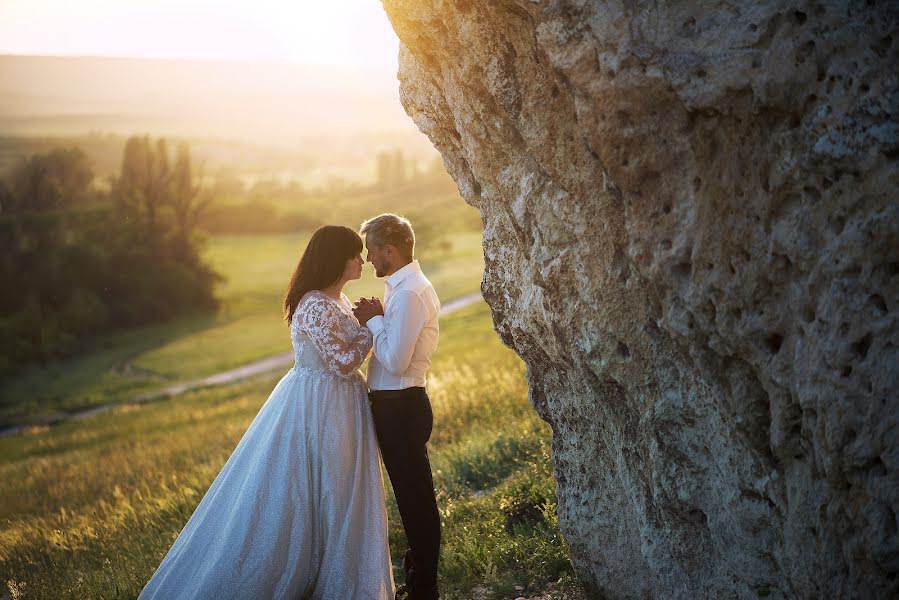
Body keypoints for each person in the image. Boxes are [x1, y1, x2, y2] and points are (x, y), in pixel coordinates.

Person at [139, 225, 394, 600]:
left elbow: (344, 354)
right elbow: (341, 362)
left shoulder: (338, 300)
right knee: (313, 490)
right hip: (317, 409)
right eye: (354, 254)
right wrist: (373, 326)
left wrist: (365, 324)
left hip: (341, 408)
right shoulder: (313, 304)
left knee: (340, 492)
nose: (360, 260)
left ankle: (336, 574)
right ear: (335, 259)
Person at [353, 214, 441, 600]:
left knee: (416, 499)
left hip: (401, 407)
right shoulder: (401, 288)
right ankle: (418, 581)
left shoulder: (407, 293)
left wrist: (373, 321)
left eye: (372, 250)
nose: (369, 258)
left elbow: (395, 359)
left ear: (391, 250)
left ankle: (424, 589)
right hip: (396, 405)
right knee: (411, 497)